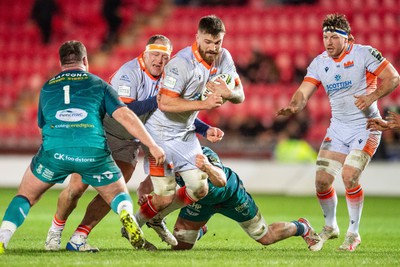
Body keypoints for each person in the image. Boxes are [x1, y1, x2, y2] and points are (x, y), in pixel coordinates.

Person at [44, 35, 224, 252]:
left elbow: (176, 113)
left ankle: (79, 237)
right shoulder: (129, 72)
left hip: (130, 141)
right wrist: (158, 101)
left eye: (165, 57)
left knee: (112, 190)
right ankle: (55, 232)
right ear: (145, 54)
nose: (159, 61)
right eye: (155, 55)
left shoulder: (170, 77)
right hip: (102, 132)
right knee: (76, 188)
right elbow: (124, 111)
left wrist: (205, 130)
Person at [0, 40, 166, 254]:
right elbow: (124, 115)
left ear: (61, 63)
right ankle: (125, 212)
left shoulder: (47, 86)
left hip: (54, 151)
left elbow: (42, 124)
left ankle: (4, 236)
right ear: (85, 60)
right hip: (92, 150)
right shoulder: (99, 84)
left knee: (25, 195)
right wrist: (152, 145)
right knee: (117, 193)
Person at [276, 13, 400, 251]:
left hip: (367, 126)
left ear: (348, 38)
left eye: (334, 36)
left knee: (350, 176)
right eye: (325, 36)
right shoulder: (319, 62)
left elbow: (393, 78)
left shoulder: (364, 53)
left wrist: (372, 97)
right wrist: (294, 105)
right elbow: (304, 91)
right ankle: (331, 226)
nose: (329, 41)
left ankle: (353, 233)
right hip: (338, 129)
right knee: (322, 181)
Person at [134, 15, 245, 233]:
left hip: (185, 133)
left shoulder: (224, 58)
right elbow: (164, 103)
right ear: (197, 37)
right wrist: (204, 103)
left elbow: (240, 95)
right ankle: (134, 225)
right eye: (208, 42)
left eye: (218, 42)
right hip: (160, 133)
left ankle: (155, 219)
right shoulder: (181, 64)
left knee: (200, 188)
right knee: (164, 195)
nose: (213, 48)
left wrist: (229, 93)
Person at [135, 146, 321, 250]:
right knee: (181, 246)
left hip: (230, 196)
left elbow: (220, 181)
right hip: (199, 202)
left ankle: (302, 226)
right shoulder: (165, 156)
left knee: (265, 237)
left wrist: (206, 167)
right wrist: (143, 193)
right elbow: (148, 183)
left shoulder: (204, 154)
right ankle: (200, 228)